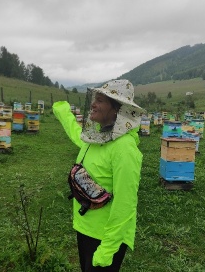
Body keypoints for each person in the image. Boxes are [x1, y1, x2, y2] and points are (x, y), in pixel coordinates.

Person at [53, 79, 144, 271]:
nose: (93, 104)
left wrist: (108, 248)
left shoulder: (124, 149)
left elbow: (126, 204)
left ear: (116, 110)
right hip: (85, 228)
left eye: (101, 100)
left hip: (106, 237)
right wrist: (63, 113)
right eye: (95, 99)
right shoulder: (97, 137)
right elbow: (77, 134)